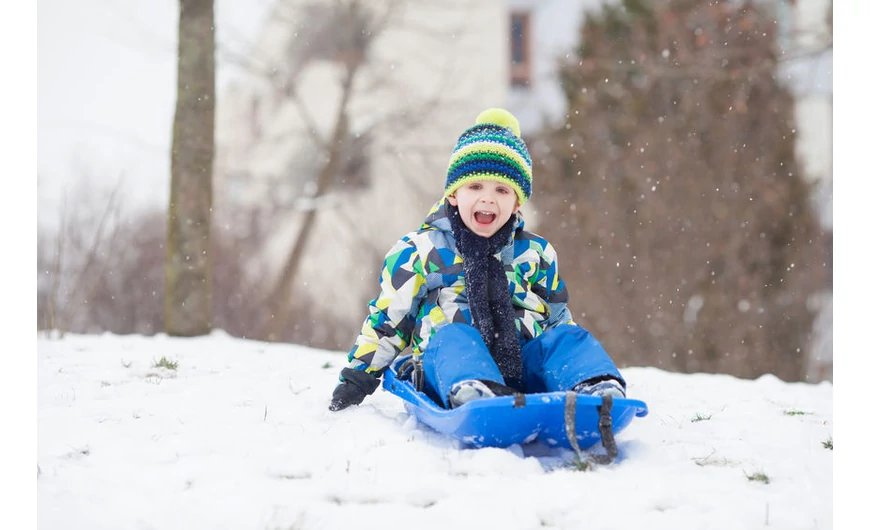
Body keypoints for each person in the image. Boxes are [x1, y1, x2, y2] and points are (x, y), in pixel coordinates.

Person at [329, 108, 626, 412]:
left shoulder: (536, 254)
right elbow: (388, 322)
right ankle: (474, 392)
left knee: (567, 338)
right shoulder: (419, 251)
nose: (487, 198)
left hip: (521, 368)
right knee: (454, 337)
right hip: (445, 370)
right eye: (475, 186)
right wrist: (358, 378)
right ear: (454, 195)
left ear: (517, 202)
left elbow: (556, 318)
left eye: (501, 190)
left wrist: (566, 355)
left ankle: (596, 387)